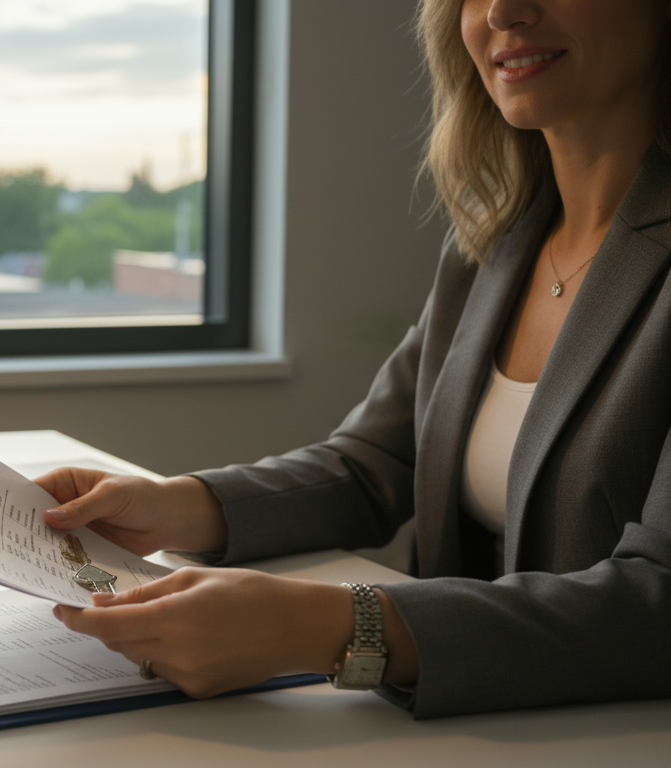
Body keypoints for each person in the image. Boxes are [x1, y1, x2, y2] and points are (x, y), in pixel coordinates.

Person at [37, 0, 671, 718]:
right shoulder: (499, 241)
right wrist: (171, 507)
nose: (503, 11)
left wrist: (329, 625)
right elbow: (372, 466)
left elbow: (658, 599)